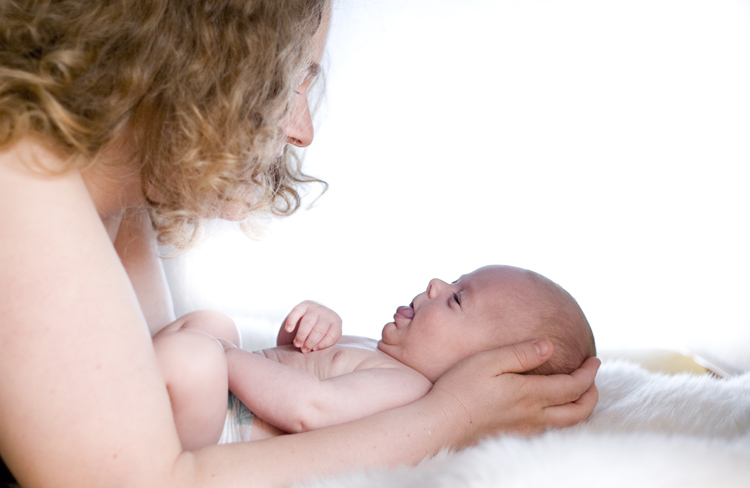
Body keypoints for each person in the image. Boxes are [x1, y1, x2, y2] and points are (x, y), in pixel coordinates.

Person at [0, 1, 600, 487]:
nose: (301, 131)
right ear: (196, 68)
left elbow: (154, 409)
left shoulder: (111, 205)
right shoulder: (20, 180)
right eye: (290, 82)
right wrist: (453, 418)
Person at [157, 265, 597, 448]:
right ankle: (136, 380)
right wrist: (309, 331)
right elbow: (288, 361)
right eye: (453, 280)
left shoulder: (406, 388)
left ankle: (128, 393)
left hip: (222, 434)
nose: (435, 286)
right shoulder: (380, 354)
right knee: (212, 324)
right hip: (221, 398)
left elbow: (308, 409)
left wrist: (227, 358)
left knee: (198, 355)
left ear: (481, 367)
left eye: (457, 300)